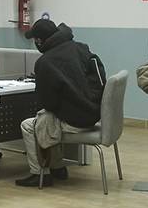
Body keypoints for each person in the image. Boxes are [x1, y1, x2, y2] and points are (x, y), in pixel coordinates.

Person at [15, 19, 106, 187]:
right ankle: (58, 168)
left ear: (39, 41)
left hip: (76, 122)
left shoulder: (45, 63)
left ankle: (39, 173)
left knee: (32, 124)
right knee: (49, 118)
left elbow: (48, 103)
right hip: (94, 114)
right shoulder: (81, 48)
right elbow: (99, 79)